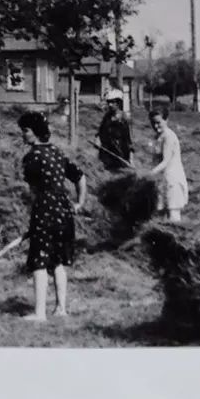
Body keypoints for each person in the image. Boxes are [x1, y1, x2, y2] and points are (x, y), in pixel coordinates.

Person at [20, 109, 87, 320]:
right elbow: (80, 177)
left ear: (36, 132)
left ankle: (39, 314)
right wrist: (79, 203)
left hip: (45, 211)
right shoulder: (58, 152)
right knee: (57, 261)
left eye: (26, 130)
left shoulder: (32, 157)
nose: (23, 134)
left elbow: (33, 191)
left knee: (39, 262)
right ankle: (61, 309)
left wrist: (34, 218)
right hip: (65, 212)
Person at [148, 106, 189, 222]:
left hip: (172, 180)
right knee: (161, 215)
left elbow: (165, 161)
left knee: (173, 214)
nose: (155, 126)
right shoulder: (158, 137)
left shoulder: (169, 136)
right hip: (162, 179)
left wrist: (150, 174)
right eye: (153, 123)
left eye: (158, 123)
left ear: (166, 120)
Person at [95, 89, 134, 171]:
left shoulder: (124, 119)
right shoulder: (107, 117)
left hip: (119, 154)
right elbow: (100, 131)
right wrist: (97, 139)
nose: (110, 104)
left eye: (112, 102)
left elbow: (129, 140)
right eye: (108, 102)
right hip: (106, 153)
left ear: (118, 103)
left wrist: (131, 158)